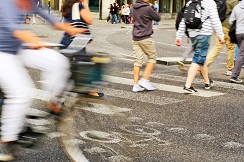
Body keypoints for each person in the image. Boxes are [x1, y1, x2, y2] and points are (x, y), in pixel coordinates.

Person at [0, 0, 86, 161]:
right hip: (2, 53)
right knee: (22, 93)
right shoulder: (6, 2)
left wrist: (68, 28)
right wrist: (34, 41)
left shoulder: (30, 2)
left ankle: (54, 102)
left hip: (17, 48)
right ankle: (7, 142)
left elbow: (48, 16)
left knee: (58, 61)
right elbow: (15, 28)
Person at [176, 0, 225, 93]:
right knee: (198, 59)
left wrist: (179, 36)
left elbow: (183, 20)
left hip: (192, 34)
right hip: (204, 33)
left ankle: (207, 82)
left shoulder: (190, 1)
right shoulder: (210, 2)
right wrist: (221, 36)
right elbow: (215, 20)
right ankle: (188, 85)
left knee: (201, 58)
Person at [60, 0, 104, 98]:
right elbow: (89, 20)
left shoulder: (68, 6)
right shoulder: (79, 5)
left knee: (71, 69)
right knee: (85, 65)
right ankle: (88, 91)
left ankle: (59, 97)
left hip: (66, 41)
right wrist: (85, 4)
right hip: (76, 42)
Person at [130, 0, 161, 92]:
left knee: (137, 61)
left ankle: (135, 85)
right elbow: (157, 18)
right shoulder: (148, 8)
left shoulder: (133, 7)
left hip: (135, 37)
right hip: (145, 37)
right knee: (152, 58)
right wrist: (152, 7)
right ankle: (145, 79)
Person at [206, 0, 238, 76]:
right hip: (228, 27)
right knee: (231, 48)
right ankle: (229, 69)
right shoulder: (234, 1)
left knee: (217, 47)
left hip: (218, 26)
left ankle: (205, 64)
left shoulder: (222, 1)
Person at [229, 0, 244, 83]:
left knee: (241, 53)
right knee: (241, 54)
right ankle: (234, 76)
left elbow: (231, 21)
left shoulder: (237, 7)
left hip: (238, 33)